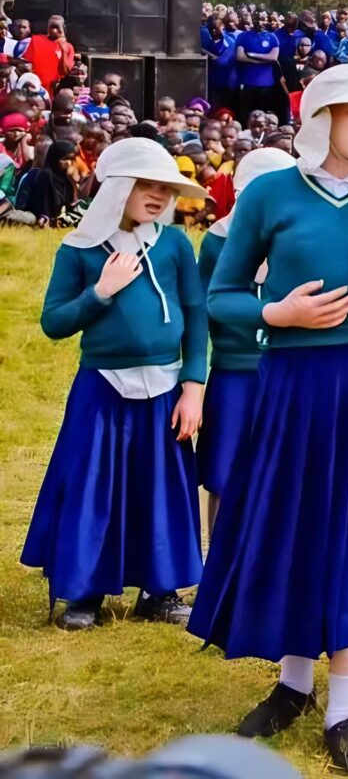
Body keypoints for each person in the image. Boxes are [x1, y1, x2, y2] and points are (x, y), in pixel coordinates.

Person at [190, 64, 348, 776]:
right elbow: (223, 296)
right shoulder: (271, 193)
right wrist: (278, 313)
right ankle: (294, 683)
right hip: (294, 383)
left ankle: (345, 706)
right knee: (298, 524)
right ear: (322, 118)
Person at [24, 138, 210, 631]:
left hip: (166, 388)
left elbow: (195, 316)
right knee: (92, 485)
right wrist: (100, 293)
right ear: (118, 188)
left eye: (164, 187)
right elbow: (54, 322)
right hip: (102, 386)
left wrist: (193, 385)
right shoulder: (81, 248)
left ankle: (161, 590)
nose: (156, 195)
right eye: (145, 185)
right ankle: (83, 591)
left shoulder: (172, 244)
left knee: (162, 487)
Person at [197, 147, 298, 529]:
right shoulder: (218, 240)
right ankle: (219, 565)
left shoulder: (298, 234)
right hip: (235, 370)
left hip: (288, 368)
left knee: (285, 471)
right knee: (225, 471)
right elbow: (206, 304)